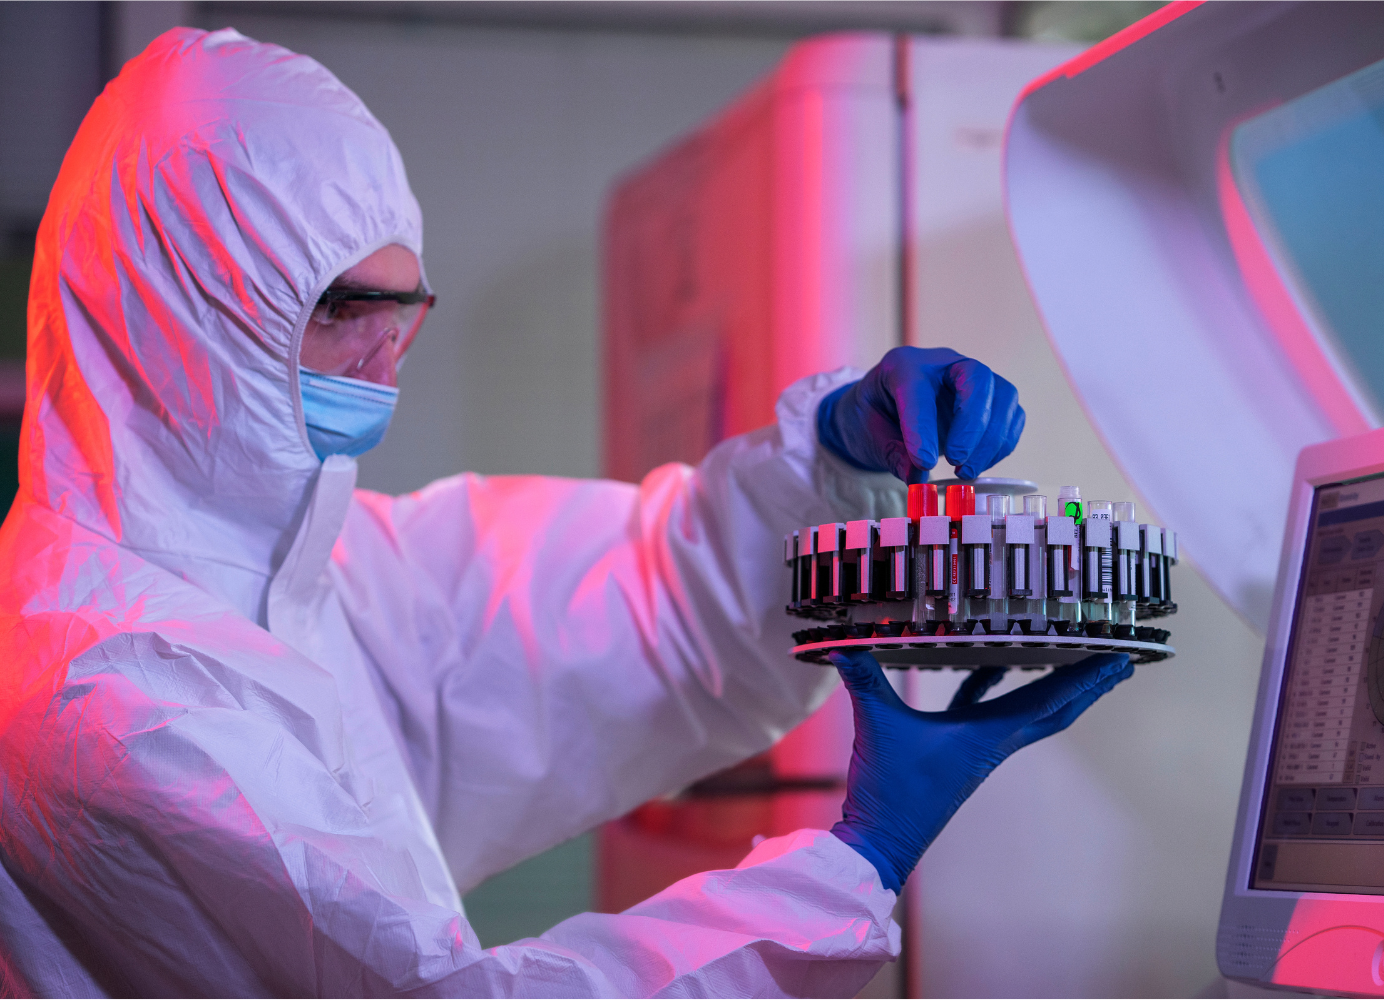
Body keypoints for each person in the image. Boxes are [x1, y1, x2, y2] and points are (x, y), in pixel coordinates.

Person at [0, 27, 1130, 998]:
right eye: (343, 310)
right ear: (167, 319)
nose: (382, 364)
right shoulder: (111, 695)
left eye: (404, 313)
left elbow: (655, 610)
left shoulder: (313, 579)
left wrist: (832, 470)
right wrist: (855, 861)